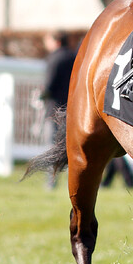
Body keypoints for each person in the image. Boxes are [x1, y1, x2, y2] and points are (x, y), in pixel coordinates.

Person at [42, 30, 76, 188]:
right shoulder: (74, 56)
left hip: (55, 110)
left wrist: (40, 96)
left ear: (56, 42)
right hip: (74, 109)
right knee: (73, 148)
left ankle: (51, 182)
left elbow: (49, 86)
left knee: (53, 148)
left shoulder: (54, 58)